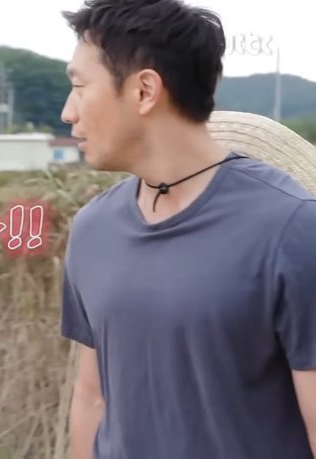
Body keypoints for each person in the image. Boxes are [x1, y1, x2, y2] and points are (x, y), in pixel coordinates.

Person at [57, 1, 316, 458]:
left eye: (79, 87)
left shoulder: (292, 228)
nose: (67, 112)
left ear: (145, 90)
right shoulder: (93, 229)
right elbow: (92, 396)